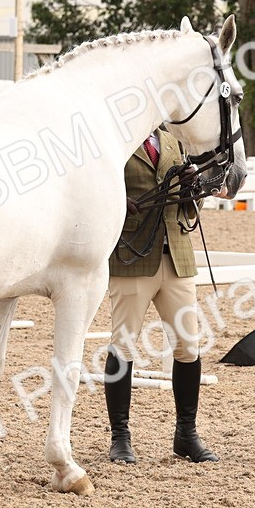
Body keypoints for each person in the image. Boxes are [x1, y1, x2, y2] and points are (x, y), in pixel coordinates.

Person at [103, 127, 217, 465]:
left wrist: (192, 188)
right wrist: (115, 204)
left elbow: (190, 207)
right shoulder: (117, 139)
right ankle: (120, 437)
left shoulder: (173, 141)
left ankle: (186, 434)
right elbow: (95, 189)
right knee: (123, 344)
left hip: (177, 256)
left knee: (188, 345)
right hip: (133, 255)